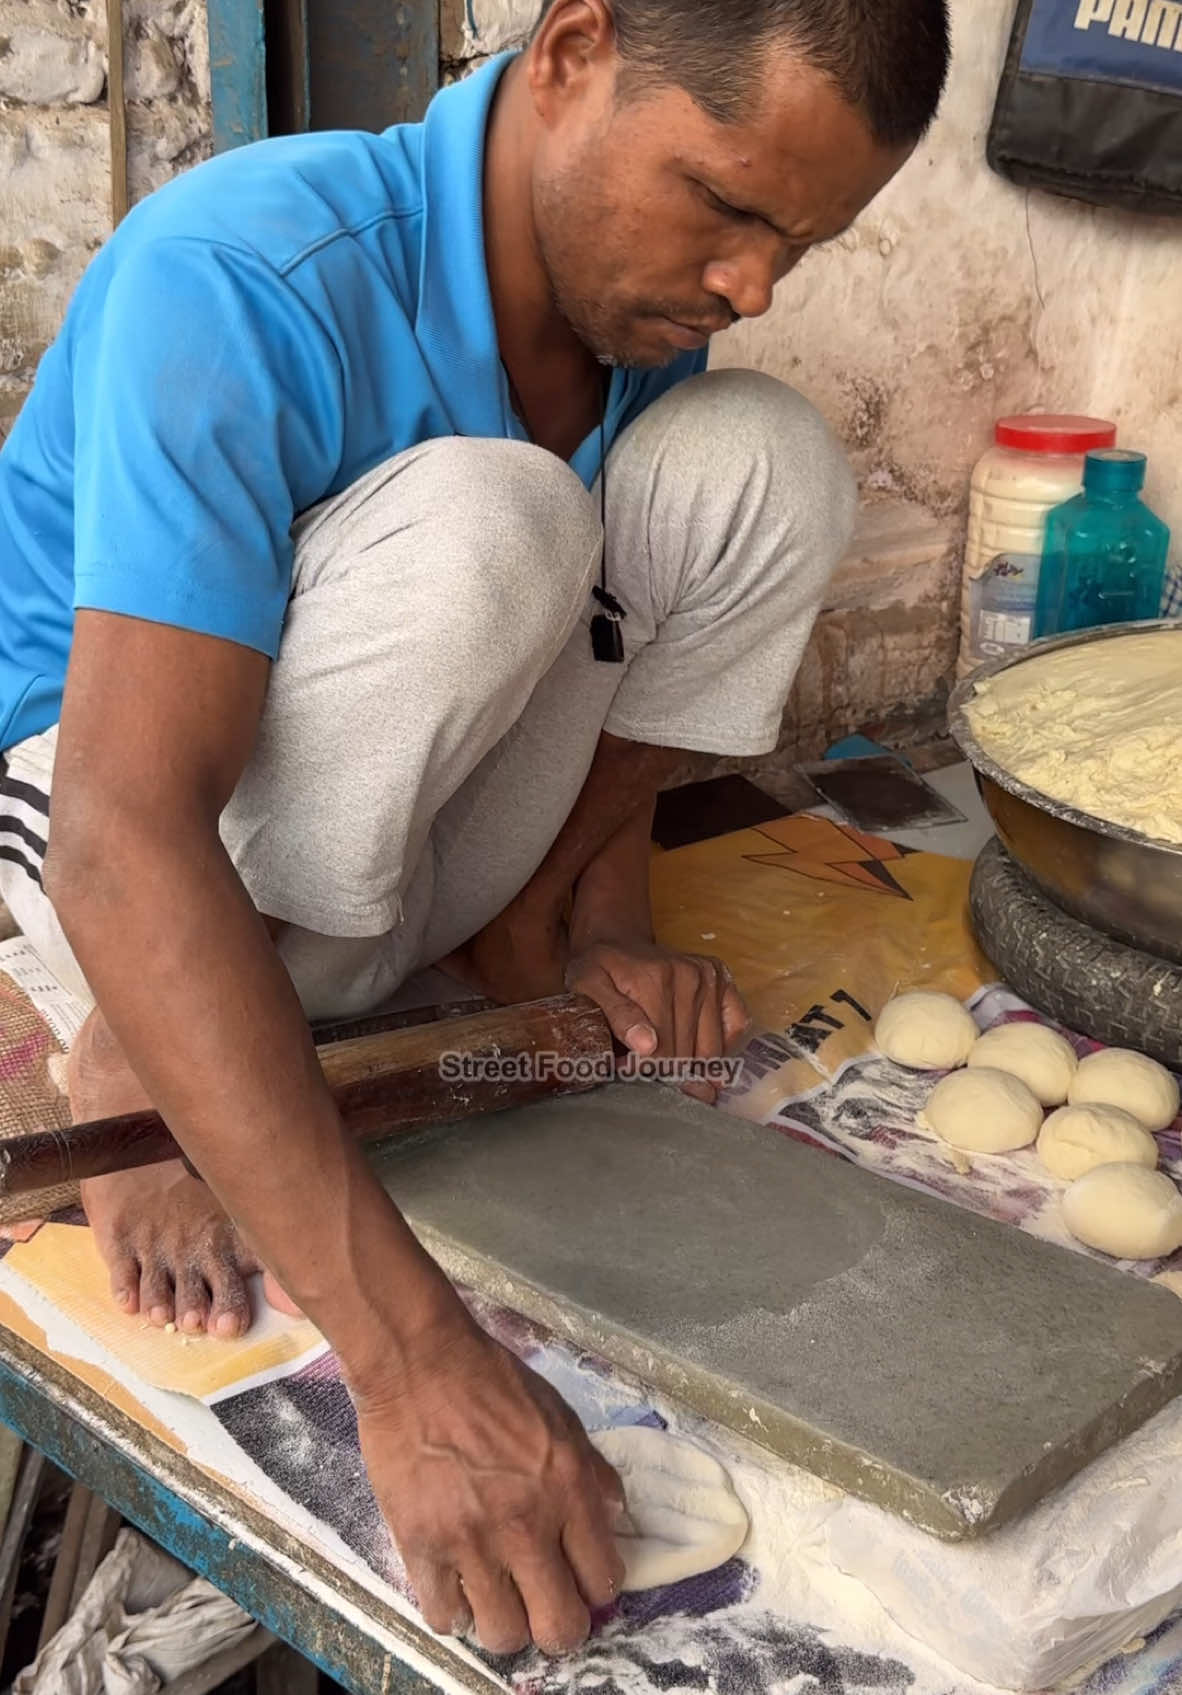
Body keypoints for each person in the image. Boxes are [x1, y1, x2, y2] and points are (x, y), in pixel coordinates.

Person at [0, 0, 950, 1656]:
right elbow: (121, 822)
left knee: (762, 461)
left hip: (364, 852)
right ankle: (147, 1050)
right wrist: (416, 1367)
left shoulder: (637, 309)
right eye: (725, 204)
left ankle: (491, 943)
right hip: (106, 829)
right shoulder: (241, 267)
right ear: (573, 53)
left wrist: (599, 928)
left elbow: (585, 674)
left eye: (800, 242)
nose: (753, 283)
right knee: (498, 511)